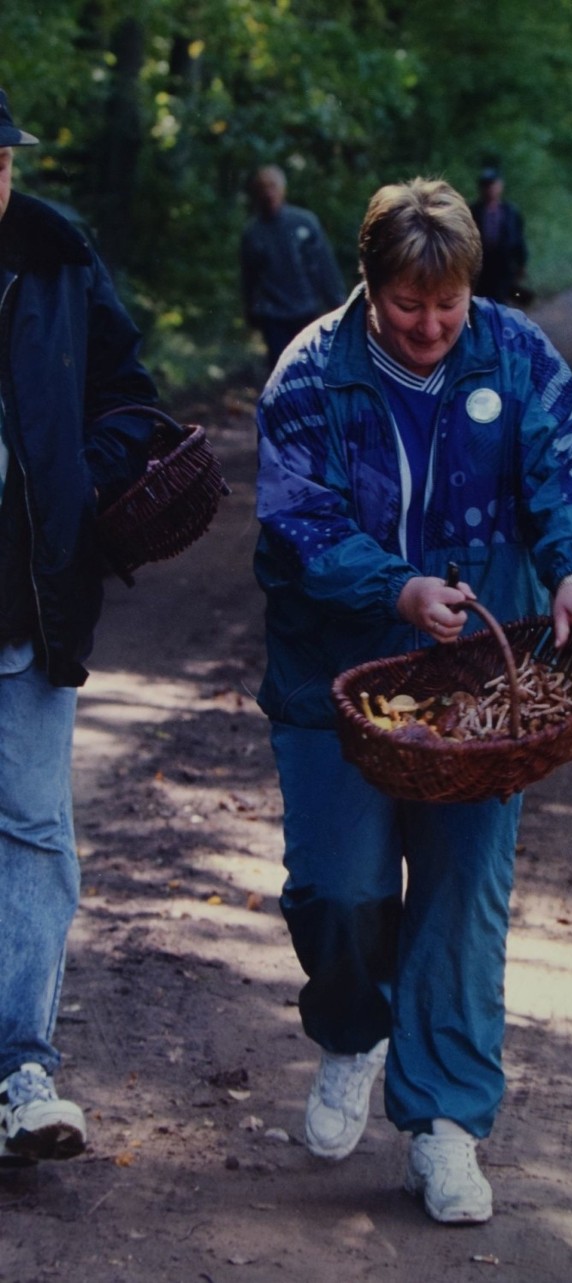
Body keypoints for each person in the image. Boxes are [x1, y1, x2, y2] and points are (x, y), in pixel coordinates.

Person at [254, 177, 572, 1225]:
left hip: (480, 677)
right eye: (407, 305)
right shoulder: (310, 374)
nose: (430, 326)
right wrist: (395, 585)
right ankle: (350, 1032)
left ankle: (446, 1125)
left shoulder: (514, 356)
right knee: (338, 888)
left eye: (448, 305)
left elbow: (568, 478)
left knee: (462, 897)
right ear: (369, 286)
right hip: (338, 676)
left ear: (472, 290)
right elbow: (296, 524)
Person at [0, 90, 159, 1168]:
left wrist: (77, 494)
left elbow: (130, 400)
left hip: (25, 599)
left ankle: (20, 1066)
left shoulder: (56, 254)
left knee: (32, 831)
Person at [240, 164, 347, 371]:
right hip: (273, 315)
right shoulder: (252, 233)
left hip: (307, 310)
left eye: (272, 186)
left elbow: (325, 267)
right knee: (281, 369)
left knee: (314, 368)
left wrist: (339, 305)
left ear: (283, 189)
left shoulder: (305, 222)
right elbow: (249, 277)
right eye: (262, 187)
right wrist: (250, 312)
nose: (268, 193)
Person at [468, 166, 529, 304]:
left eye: (492, 185)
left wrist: (522, 263)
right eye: (485, 185)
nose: (489, 189)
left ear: (500, 186)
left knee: (501, 301)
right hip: (481, 266)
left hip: (504, 265)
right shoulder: (472, 211)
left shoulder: (510, 212)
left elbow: (519, 239)